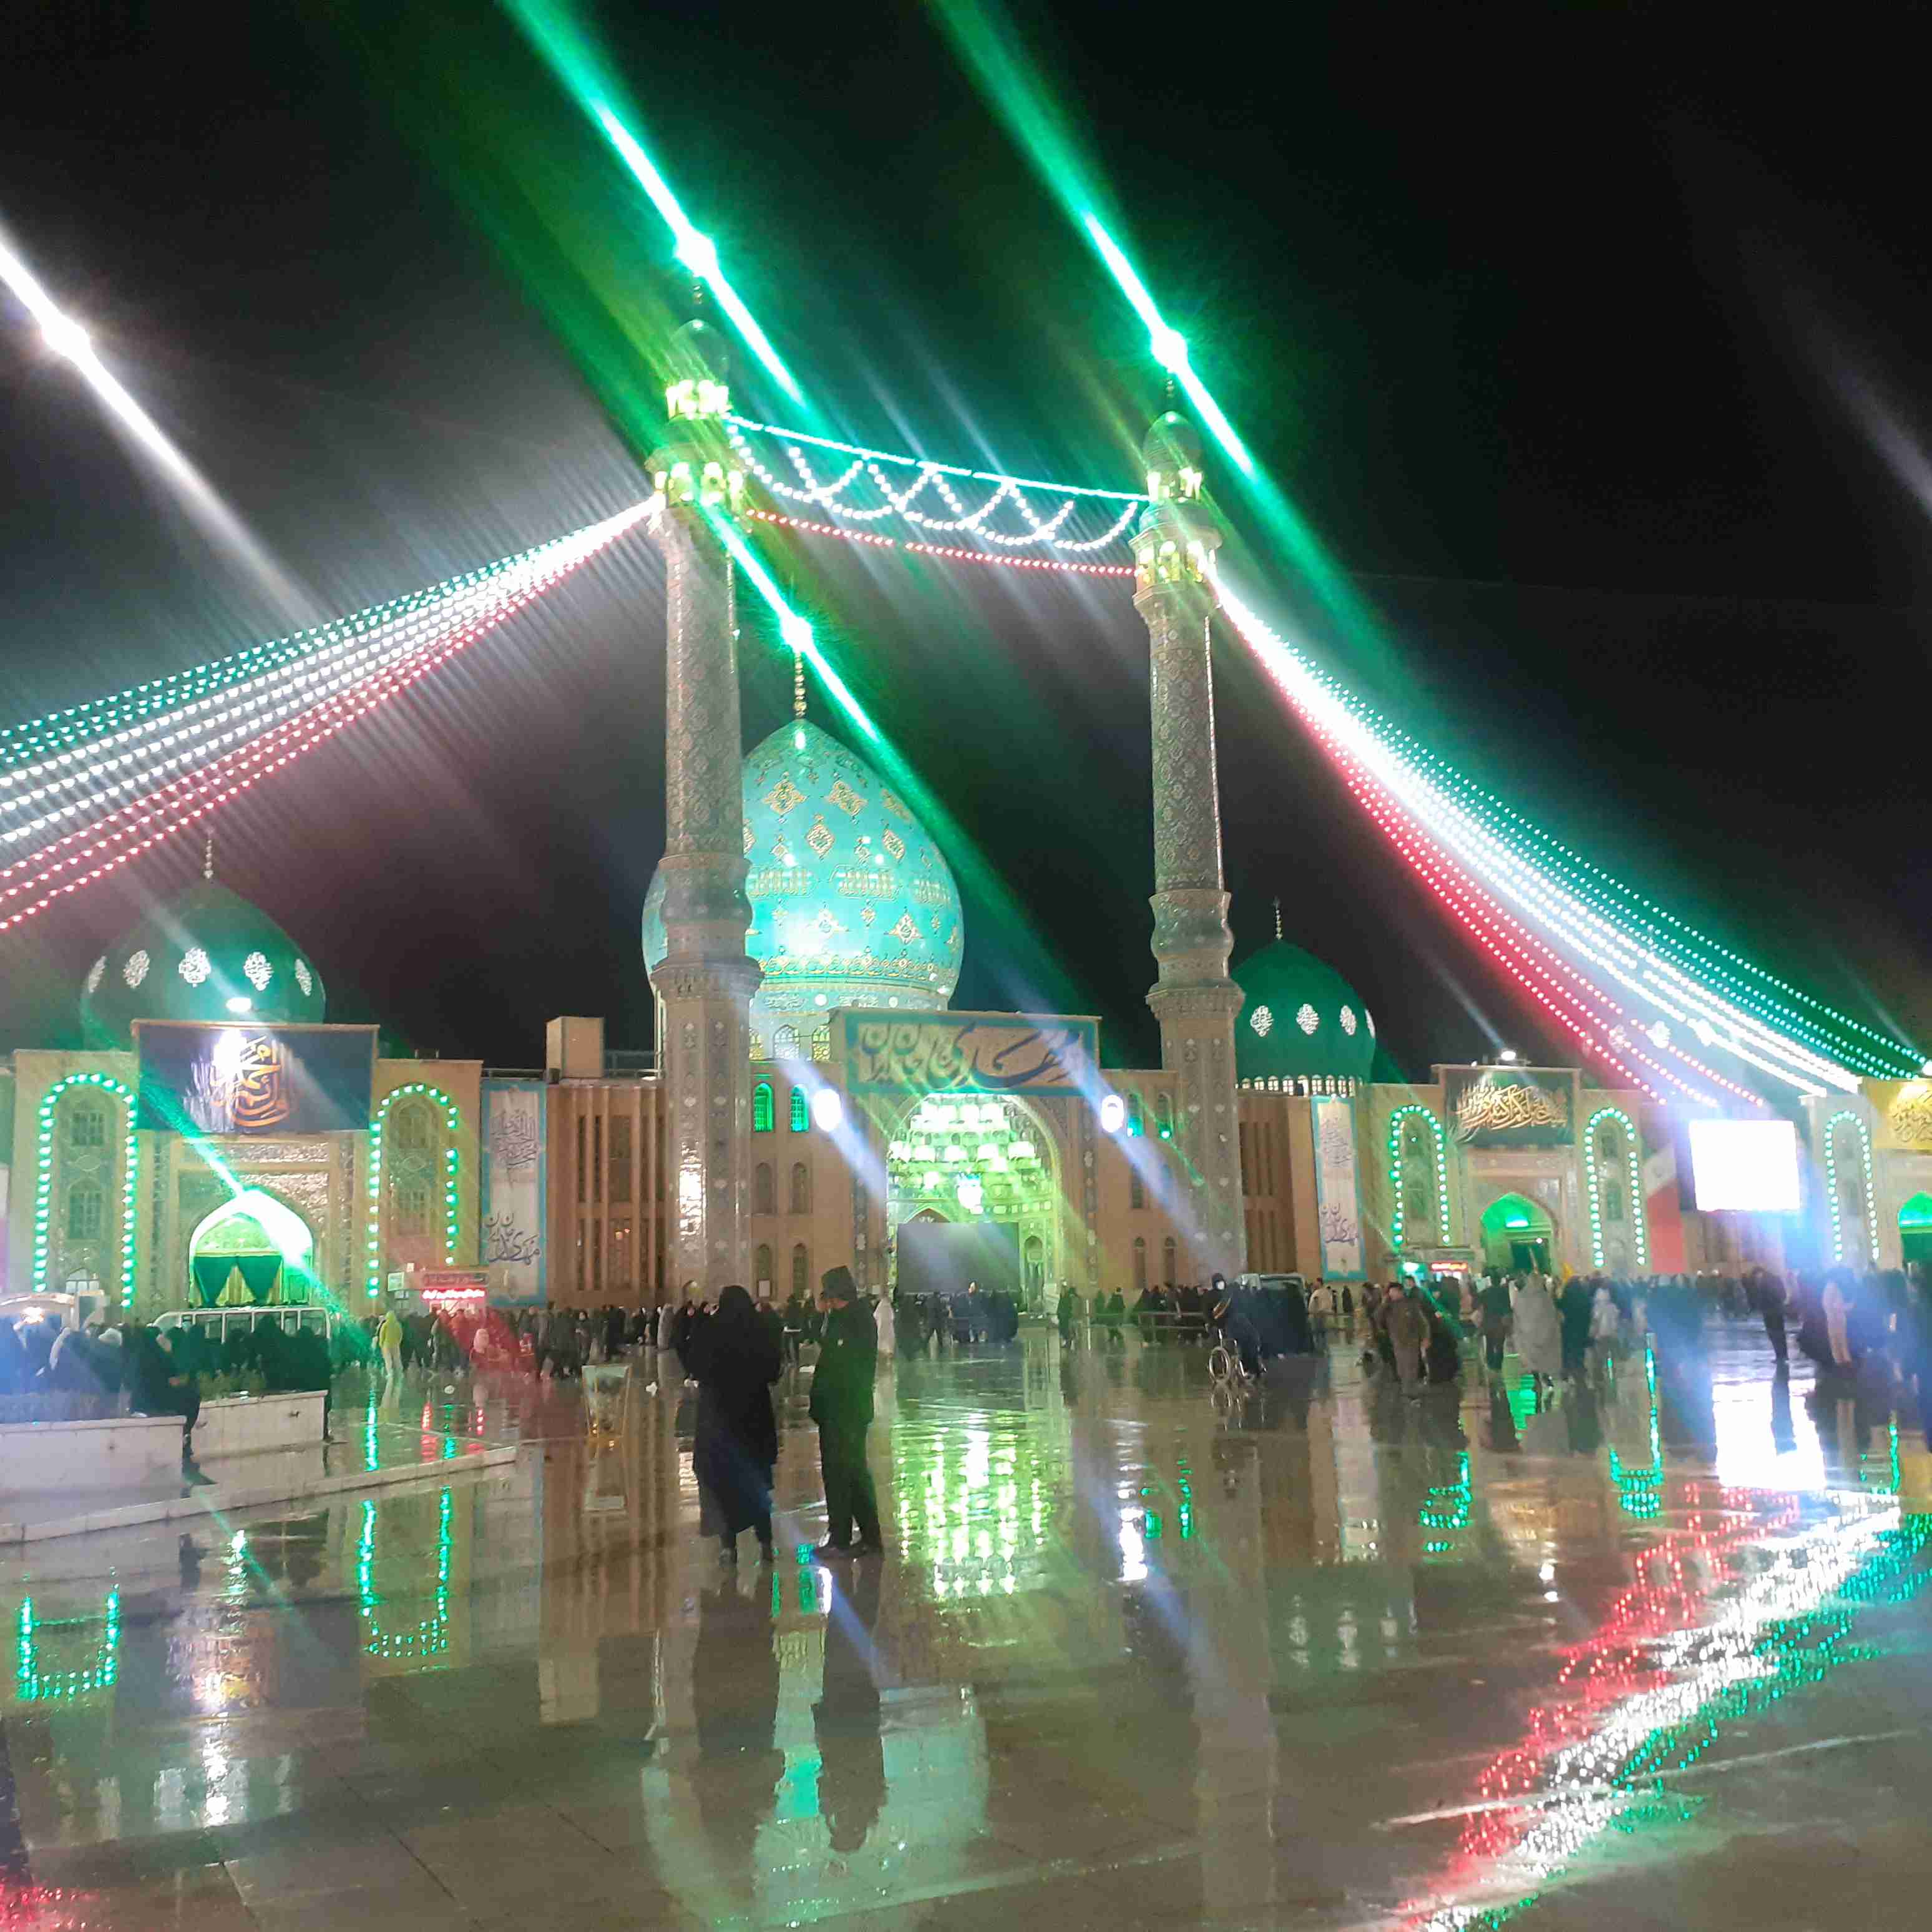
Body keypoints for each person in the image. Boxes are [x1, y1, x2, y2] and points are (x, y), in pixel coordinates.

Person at [686, 1283, 782, 1563]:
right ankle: (765, 1543)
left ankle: (729, 1548)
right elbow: (773, 1370)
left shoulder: (712, 1330)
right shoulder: (759, 1328)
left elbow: (695, 1366)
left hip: (719, 1422)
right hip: (754, 1420)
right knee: (758, 1483)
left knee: (723, 1485)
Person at [810, 1266, 882, 1558]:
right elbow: (825, 1343)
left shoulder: (858, 1320)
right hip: (836, 1413)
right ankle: (851, 1536)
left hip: (846, 1412)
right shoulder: (841, 1318)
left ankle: (853, 1539)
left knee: (849, 1474)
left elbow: (843, 1364)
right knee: (840, 1474)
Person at [1512, 1276, 1563, 1393]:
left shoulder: (1525, 1298)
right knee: (1542, 1355)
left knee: (1533, 1356)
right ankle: (1545, 1378)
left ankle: (1538, 1379)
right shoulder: (1544, 1297)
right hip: (1542, 1332)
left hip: (1531, 1333)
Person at [1385, 1285, 1428, 1395]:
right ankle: (1407, 1390)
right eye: (1390, 1292)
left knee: (1411, 1367)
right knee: (1401, 1368)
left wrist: (1425, 1338)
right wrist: (1383, 1303)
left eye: (1393, 1292)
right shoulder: (1389, 1306)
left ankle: (1409, 1391)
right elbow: (1377, 1317)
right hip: (1397, 1342)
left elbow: (1423, 1323)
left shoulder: (1411, 1305)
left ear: (1401, 1292)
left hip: (1411, 1341)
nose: (1391, 1294)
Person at [377, 1305, 404, 1382]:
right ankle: (400, 1372)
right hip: (395, 1344)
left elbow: (382, 1335)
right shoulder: (398, 1324)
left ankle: (390, 1373)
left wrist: (381, 1344)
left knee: (388, 1359)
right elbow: (400, 1334)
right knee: (397, 1358)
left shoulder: (385, 1325)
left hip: (387, 1345)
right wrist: (398, 1342)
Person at [874, 1289, 896, 1360]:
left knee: (881, 1339)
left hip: (881, 1327)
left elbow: (875, 1316)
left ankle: (883, 1355)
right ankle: (889, 1354)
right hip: (888, 1327)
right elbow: (893, 1317)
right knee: (889, 1340)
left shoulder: (880, 1305)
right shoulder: (888, 1305)